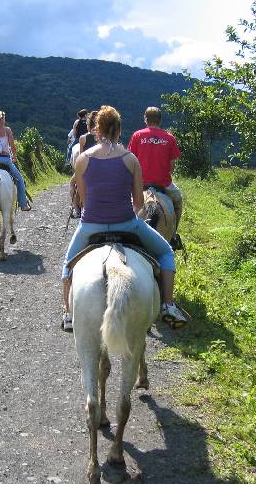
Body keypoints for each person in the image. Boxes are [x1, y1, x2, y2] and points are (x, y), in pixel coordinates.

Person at [61, 105, 187, 332]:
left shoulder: (83, 160)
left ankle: (68, 314)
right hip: (127, 223)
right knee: (167, 252)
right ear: (119, 130)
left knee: (67, 265)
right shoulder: (130, 160)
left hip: (91, 226)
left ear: (96, 130)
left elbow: (85, 201)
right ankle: (168, 305)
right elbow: (139, 204)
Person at [127, 106, 184, 250]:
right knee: (178, 201)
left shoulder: (137, 136)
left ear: (145, 119)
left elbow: (130, 161)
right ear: (160, 120)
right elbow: (172, 167)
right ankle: (173, 236)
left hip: (139, 185)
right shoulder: (169, 138)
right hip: (163, 185)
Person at [69, 109, 99, 218]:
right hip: (100, 167)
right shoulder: (102, 137)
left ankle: (76, 210)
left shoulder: (83, 138)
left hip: (87, 168)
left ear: (88, 124)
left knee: (72, 184)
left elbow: (81, 158)